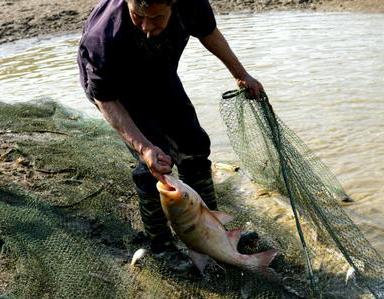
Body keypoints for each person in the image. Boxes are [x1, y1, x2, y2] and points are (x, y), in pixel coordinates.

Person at [77, 0, 264, 272]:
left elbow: (208, 32)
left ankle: (215, 233)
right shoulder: (102, 38)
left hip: (160, 71)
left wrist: (240, 73)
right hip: (118, 90)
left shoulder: (190, 4)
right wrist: (144, 148)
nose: (146, 27)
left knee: (195, 148)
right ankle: (162, 246)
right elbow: (106, 100)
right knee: (153, 166)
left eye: (156, 19)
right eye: (137, 17)